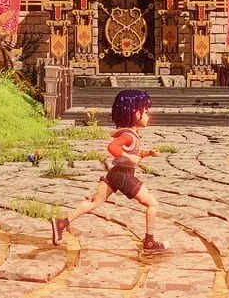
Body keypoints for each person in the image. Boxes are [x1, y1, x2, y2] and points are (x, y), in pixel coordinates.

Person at [51, 89, 168, 252]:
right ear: (136, 113)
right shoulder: (128, 136)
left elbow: (134, 153)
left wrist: (147, 153)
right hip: (124, 176)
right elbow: (112, 147)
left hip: (114, 174)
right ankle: (149, 242)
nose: (149, 115)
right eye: (146, 112)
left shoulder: (131, 135)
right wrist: (128, 156)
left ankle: (61, 223)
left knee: (94, 202)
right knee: (152, 204)